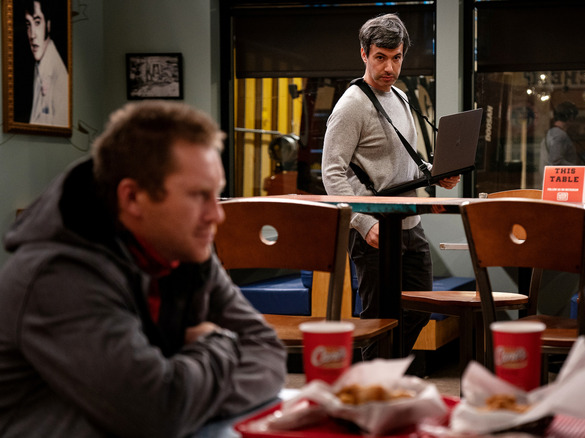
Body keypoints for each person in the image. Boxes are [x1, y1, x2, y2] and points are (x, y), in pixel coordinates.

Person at [0, 101, 287, 437]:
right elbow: (157, 414)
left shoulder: (186, 251)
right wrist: (217, 342)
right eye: (198, 195)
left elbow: (268, 354)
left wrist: (181, 401)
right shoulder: (56, 276)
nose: (216, 215)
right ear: (133, 198)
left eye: (217, 195)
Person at [321, 13, 459, 362]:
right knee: (377, 322)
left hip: (409, 224)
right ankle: (372, 394)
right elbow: (331, 173)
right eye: (381, 57)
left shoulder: (399, 96)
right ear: (364, 54)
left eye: (396, 57)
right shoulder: (351, 106)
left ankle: (388, 377)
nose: (389, 67)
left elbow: (404, 159)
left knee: (419, 309)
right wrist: (364, 224)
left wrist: (433, 173)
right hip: (374, 228)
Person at [24, 0, 68, 126]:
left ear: (48, 25)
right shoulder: (40, 64)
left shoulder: (55, 71)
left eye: (37, 23)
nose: (32, 35)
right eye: (28, 25)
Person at [541, 101, 579, 167]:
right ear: (571, 117)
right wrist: (582, 170)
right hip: (560, 176)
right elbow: (556, 161)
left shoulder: (551, 132)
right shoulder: (559, 135)